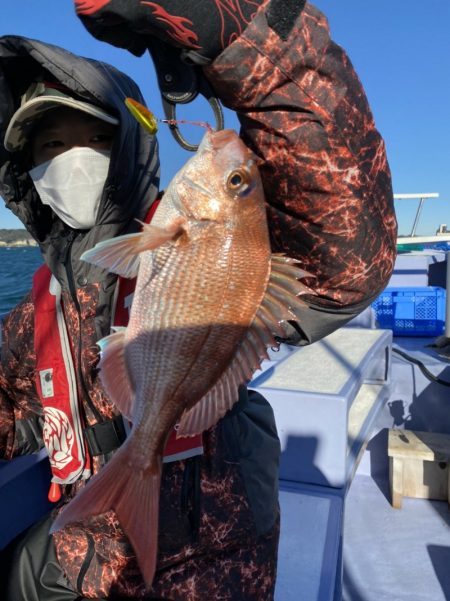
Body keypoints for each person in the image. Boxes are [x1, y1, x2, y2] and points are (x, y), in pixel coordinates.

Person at [0, 2, 397, 599]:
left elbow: (345, 255)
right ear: (25, 172)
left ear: (132, 142)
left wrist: (251, 36)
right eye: (50, 145)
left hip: (208, 563)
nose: (71, 158)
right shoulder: (33, 316)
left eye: (96, 137)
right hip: (80, 558)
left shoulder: (223, 245)